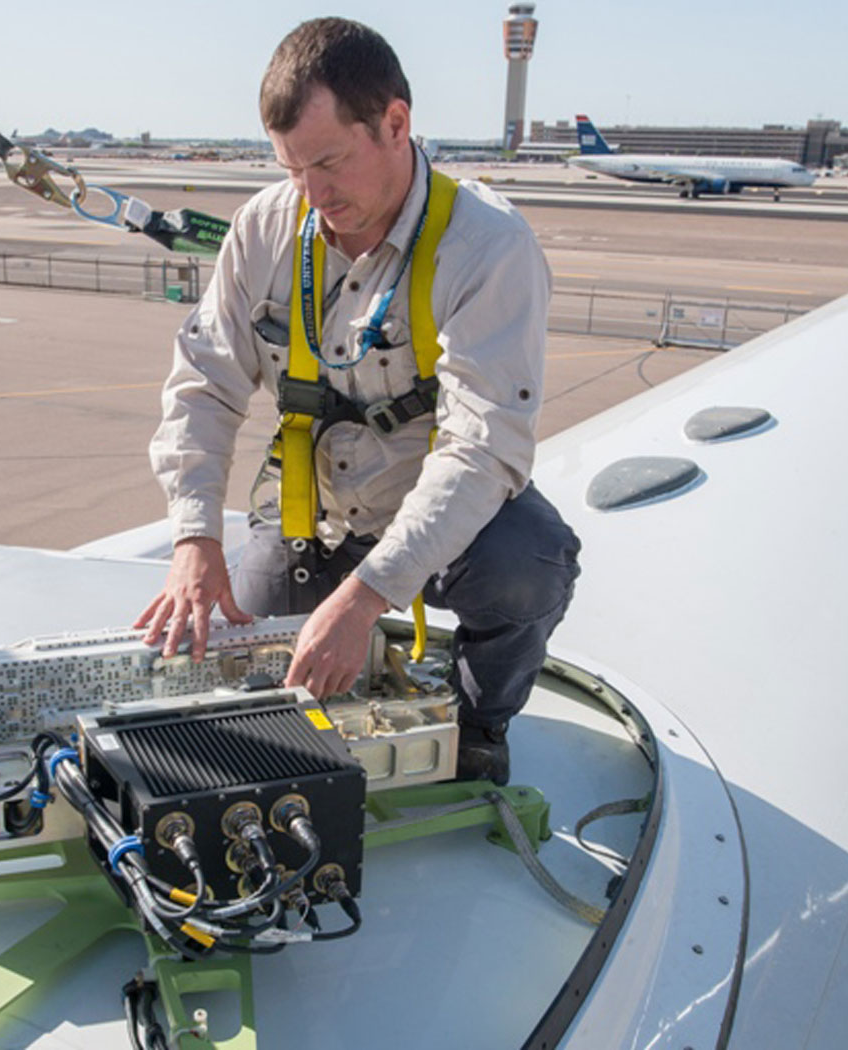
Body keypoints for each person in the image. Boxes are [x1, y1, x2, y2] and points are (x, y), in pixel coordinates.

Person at [134, 18, 580, 786]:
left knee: (529, 566)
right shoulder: (268, 228)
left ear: (396, 124)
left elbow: (481, 449)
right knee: (258, 665)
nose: (311, 194)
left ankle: (479, 726)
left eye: (329, 163)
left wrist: (367, 598)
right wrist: (195, 537)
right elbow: (204, 384)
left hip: (439, 521)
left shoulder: (485, 247)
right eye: (292, 168)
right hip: (315, 516)